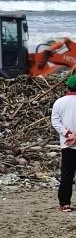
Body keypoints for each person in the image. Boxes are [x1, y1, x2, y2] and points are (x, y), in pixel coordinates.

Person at [51, 74, 76, 212]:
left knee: (67, 173)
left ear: (68, 87)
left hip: (67, 144)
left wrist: (69, 135)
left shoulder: (59, 102)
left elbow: (55, 122)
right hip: (71, 141)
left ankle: (64, 203)